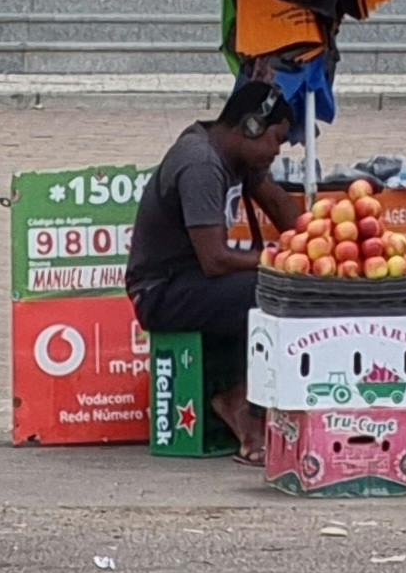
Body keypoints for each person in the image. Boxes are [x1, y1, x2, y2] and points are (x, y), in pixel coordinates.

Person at [123, 74, 298, 459]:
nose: (277, 151)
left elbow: (280, 205)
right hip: (161, 291)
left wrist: (318, 242)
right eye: (275, 140)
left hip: (193, 283)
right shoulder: (201, 162)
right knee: (268, 289)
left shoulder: (238, 155)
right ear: (251, 126)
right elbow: (215, 260)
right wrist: (281, 261)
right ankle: (238, 401)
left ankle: (238, 396)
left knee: (279, 286)